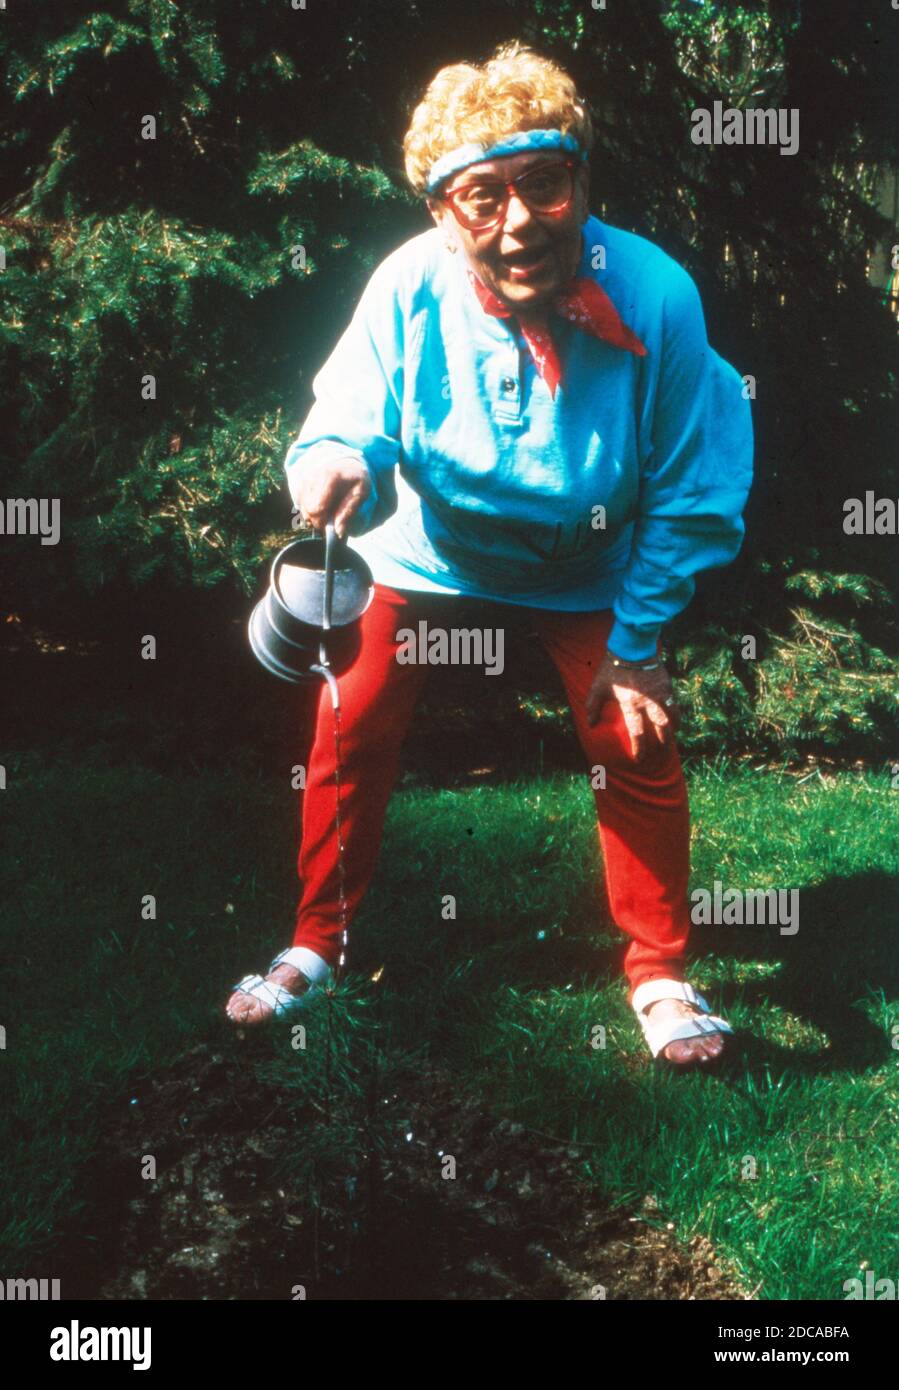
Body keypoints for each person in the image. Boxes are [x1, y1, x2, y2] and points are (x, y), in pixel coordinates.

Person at [226, 41, 753, 1065]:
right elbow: (348, 415)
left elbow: (693, 485)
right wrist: (332, 463)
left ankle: (659, 974)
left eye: (543, 185)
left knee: (632, 739)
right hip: (428, 547)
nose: (517, 222)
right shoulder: (405, 285)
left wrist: (637, 637)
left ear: (581, 183)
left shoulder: (653, 293)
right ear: (440, 212)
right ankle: (313, 945)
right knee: (349, 724)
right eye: (480, 198)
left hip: (588, 564)